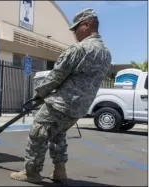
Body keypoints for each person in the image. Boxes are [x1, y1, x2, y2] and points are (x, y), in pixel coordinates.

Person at [10, 8, 111, 184]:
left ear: (86, 25)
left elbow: (57, 76)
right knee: (58, 135)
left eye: (76, 29)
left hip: (60, 103)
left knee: (38, 133)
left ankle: (31, 172)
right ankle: (59, 171)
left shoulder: (80, 49)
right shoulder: (105, 53)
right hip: (79, 108)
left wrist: (39, 95)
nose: (74, 33)